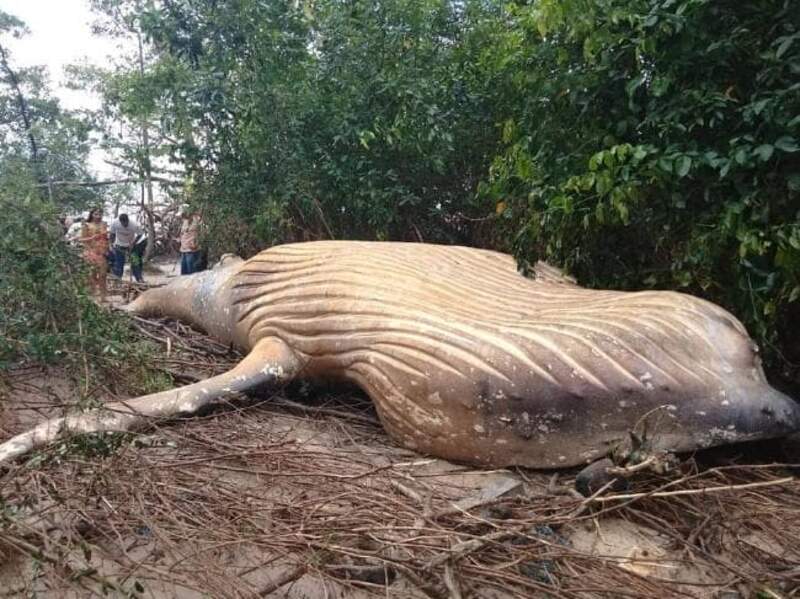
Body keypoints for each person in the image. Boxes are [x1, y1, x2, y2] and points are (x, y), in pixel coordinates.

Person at [79, 208, 109, 301]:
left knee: (103, 275)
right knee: (92, 275)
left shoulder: (104, 224)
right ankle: (93, 296)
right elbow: (81, 239)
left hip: (102, 252)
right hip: (91, 252)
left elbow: (106, 238)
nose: (98, 216)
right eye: (96, 214)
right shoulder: (87, 225)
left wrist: (108, 247)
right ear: (92, 215)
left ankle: (103, 296)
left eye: (100, 214)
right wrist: (92, 238)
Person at [109, 213, 143, 282]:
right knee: (119, 263)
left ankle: (139, 279)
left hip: (132, 245)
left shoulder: (134, 224)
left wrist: (133, 243)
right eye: (123, 223)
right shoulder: (115, 223)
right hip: (119, 245)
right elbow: (112, 234)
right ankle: (117, 280)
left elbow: (140, 234)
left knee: (135, 262)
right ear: (120, 221)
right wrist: (111, 244)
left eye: (126, 223)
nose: (125, 225)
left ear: (128, 220)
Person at [179, 205, 204, 275]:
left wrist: (196, 243)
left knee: (192, 273)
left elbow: (202, 234)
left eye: (183, 214)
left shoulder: (197, 220)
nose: (182, 216)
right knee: (184, 273)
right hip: (184, 249)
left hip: (192, 250)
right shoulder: (185, 221)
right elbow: (183, 233)